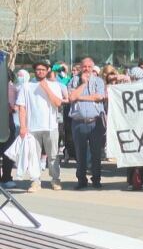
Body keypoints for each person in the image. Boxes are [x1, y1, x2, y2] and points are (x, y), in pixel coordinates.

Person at [16, 61, 67, 192]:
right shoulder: (26, 86)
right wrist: (23, 126)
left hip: (51, 126)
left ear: (47, 70)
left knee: (53, 155)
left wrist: (46, 88)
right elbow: (22, 107)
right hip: (32, 126)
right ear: (34, 71)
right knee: (33, 155)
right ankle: (35, 181)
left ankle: (55, 179)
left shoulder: (54, 85)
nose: (40, 72)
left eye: (43, 69)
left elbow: (57, 103)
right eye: (38, 69)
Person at [68, 57, 107, 189]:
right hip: (78, 122)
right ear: (80, 67)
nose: (87, 69)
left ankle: (96, 180)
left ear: (93, 67)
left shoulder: (99, 81)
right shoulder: (74, 81)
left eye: (90, 67)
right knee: (80, 153)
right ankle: (81, 180)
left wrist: (80, 97)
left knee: (96, 153)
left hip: (95, 122)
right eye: (84, 66)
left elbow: (99, 97)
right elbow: (71, 97)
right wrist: (83, 84)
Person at [124, 67, 143, 190]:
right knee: (136, 152)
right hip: (134, 124)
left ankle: (134, 180)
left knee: (138, 152)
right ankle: (140, 180)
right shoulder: (128, 87)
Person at [1, 70, 17, 189]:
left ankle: (6, 177)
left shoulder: (10, 87)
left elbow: (11, 107)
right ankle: (6, 178)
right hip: (6, 120)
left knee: (7, 151)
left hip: (6, 121)